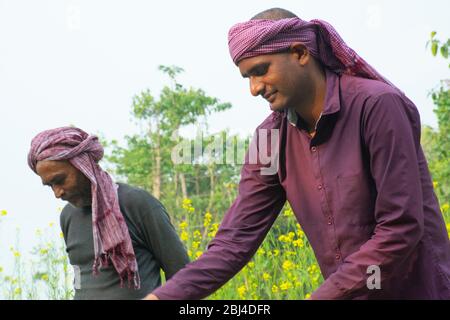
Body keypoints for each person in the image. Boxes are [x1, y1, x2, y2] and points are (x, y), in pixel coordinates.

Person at [144, 8, 450, 300]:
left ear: (300, 53)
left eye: (260, 71)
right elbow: (234, 242)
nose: (254, 88)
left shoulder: (376, 106)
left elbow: (401, 228)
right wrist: (162, 295)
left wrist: (327, 294)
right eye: (247, 77)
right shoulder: (269, 139)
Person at [28, 126, 189, 300]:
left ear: (83, 165)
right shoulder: (68, 217)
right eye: (50, 185)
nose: (57, 193)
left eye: (60, 180)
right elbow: (82, 282)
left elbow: (184, 278)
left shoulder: (137, 204)